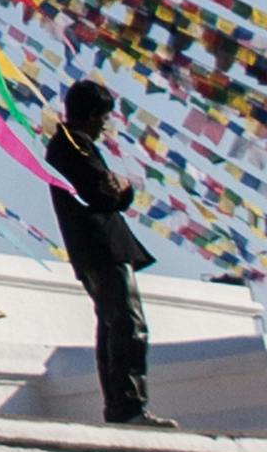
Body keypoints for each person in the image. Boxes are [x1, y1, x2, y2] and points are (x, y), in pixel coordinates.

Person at [42, 80, 174, 429]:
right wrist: (123, 190)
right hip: (101, 243)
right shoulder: (73, 146)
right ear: (90, 115)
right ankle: (128, 405)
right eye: (103, 118)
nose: (105, 126)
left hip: (94, 247)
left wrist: (116, 188)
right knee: (129, 325)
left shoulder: (67, 145)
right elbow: (102, 192)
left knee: (113, 325)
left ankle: (122, 404)